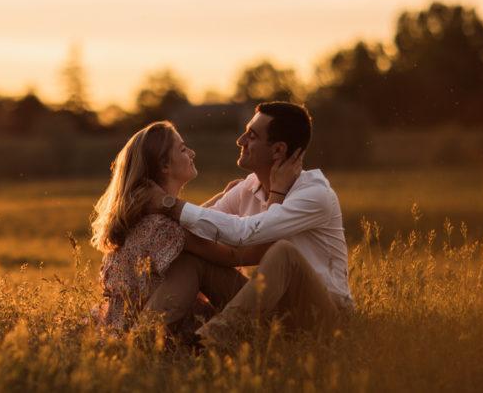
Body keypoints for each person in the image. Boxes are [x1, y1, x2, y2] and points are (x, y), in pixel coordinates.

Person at [143, 101, 354, 344]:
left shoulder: (314, 194)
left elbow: (247, 233)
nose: (240, 140)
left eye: (251, 136)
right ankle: (143, 336)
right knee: (193, 261)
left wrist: (170, 204)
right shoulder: (248, 187)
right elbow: (201, 226)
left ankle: (209, 341)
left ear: (277, 151)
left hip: (321, 316)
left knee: (284, 253)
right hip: (267, 309)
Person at [90, 120, 301, 337]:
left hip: (120, 324)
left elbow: (186, 224)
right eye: (182, 149)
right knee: (191, 264)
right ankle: (145, 339)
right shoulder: (164, 229)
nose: (191, 153)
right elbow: (235, 254)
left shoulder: (145, 218)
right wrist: (278, 196)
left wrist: (223, 197)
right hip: (155, 328)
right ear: (164, 165)